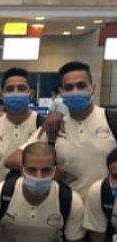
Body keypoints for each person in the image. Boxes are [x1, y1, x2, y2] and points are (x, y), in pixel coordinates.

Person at [6, 61, 117, 200]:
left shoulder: (111, 120)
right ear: (61, 92)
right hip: (69, 207)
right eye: (69, 87)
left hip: (107, 207)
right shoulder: (54, 126)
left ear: (93, 88)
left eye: (81, 85)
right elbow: (12, 159)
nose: (75, 91)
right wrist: (48, 170)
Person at [0, 142, 84, 242]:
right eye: (32, 170)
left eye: (46, 170)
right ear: (22, 169)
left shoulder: (71, 201)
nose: (39, 176)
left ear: (55, 170)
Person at [0, 68, 43, 189]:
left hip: (39, 196)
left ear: (31, 93)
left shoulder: (44, 127)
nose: (16, 93)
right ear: (2, 95)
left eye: (21, 89)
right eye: (10, 89)